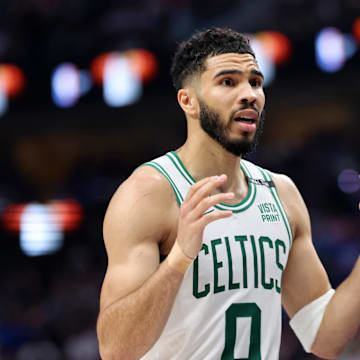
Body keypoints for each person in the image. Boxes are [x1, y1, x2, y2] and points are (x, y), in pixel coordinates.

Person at [96, 28, 360, 360]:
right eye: (228, 82)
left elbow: (325, 337)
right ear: (188, 101)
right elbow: (115, 349)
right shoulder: (148, 194)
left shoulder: (282, 194)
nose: (249, 94)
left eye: (255, 82)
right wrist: (180, 257)